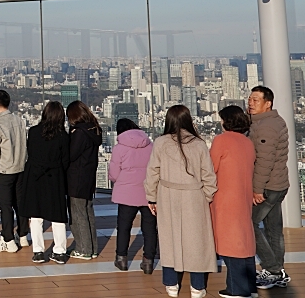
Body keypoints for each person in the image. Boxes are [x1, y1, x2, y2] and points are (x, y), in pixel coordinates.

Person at [145, 105, 217, 298]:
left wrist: (152, 197)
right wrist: (206, 196)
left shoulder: (160, 142)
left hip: (167, 195)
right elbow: (209, 176)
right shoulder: (199, 144)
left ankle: (171, 284)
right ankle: (197, 286)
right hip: (194, 196)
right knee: (197, 243)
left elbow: (152, 172)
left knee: (169, 240)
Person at [210, 106, 257, 298]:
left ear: (227, 121)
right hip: (243, 195)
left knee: (231, 243)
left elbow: (210, 168)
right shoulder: (247, 143)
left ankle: (236, 288)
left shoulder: (221, 141)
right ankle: (250, 286)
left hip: (225, 197)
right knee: (245, 241)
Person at [248, 86, 291, 290]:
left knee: (250, 223)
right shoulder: (273, 121)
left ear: (268, 103)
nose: (251, 103)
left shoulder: (266, 127)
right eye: (250, 99)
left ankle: (272, 269)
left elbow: (264, 161)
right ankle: (278, 272)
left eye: (256, 100)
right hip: (278, 183)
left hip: (268, 187)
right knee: (274, 229)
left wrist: (257, 189)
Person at [21, 100, 70, 264]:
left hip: (35, 177)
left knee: (36, 216)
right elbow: (65, 160)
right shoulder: (63, 136)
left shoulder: (34, 132)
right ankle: (60, 251)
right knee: (58, 216)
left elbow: (31, 153)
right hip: (55, 177)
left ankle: (38, 251)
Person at [108, 118, 156, 274]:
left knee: (123, 227)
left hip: (126, 194)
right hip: (148, 192)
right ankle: (148, 261)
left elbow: (114, 174)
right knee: (149, 228)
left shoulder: (119, 148)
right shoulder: (150, 145)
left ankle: (121, 259)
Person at [0, 89, 28, 252]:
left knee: (5, 206)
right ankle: (23, 235)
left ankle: (8, 240)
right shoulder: (19, 121)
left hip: (4, 171)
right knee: (20, 204)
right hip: (20, 168)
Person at [66, 100, 102, 260]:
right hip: (88, 177)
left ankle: (84, 248)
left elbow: (71, 155)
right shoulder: (93, 130)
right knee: (87, 212)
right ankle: (92, 247)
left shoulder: (79, 133)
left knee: (78, 213)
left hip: (77, 178)